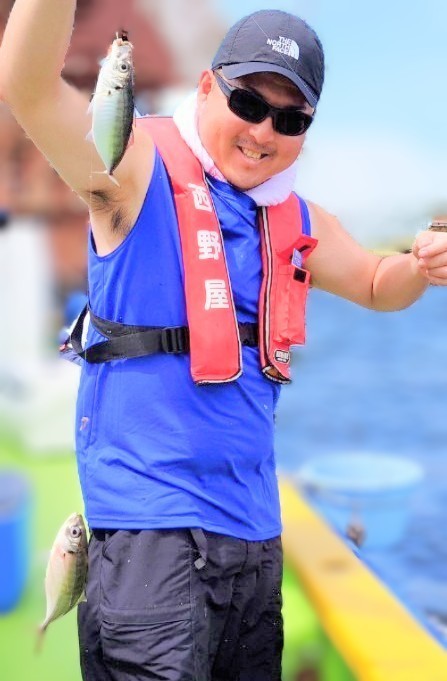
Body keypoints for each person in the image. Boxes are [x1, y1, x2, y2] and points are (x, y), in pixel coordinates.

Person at [1, 5, 447, 680]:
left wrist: (419, 265)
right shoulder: (132, 167)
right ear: (207, 88)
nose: (264, 131)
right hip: (152, 532)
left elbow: (377, 284)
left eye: (289, 120)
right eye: (249, 102)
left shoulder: (295, 218)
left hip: (253, 538)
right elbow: (27, 87)